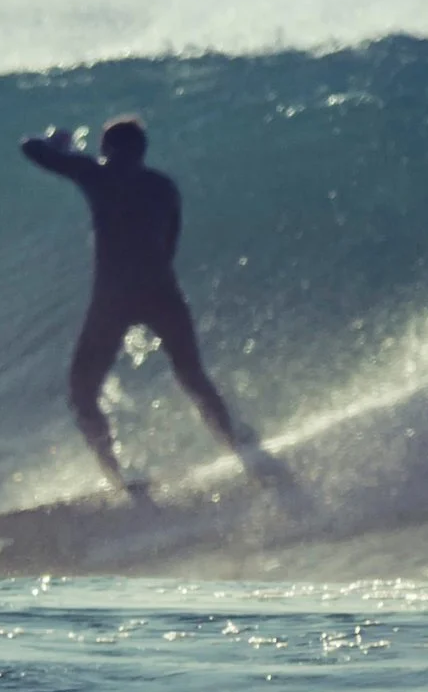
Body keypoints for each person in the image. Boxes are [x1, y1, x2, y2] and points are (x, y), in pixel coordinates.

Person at [22, 116, 260, 494]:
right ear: (142, 150)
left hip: (113, 299)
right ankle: (238, 446)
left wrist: (58, 144)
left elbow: (31, 149)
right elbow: (170, 242)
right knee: (191, 375)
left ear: (107, 149)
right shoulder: (164, 187)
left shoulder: (97, 174)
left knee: (82, 391)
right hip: (161, 291)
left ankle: (118, 478)